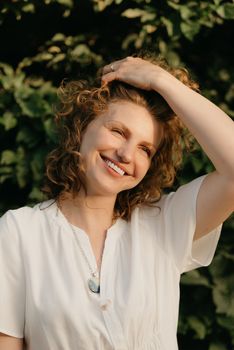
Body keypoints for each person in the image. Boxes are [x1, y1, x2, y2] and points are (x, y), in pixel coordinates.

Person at [0, 55, 233, 350]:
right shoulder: (19, 232)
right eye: (118, 131)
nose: (126, 154)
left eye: (145, 149)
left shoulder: (164, 225)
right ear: (82, 126)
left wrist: (161, 82)